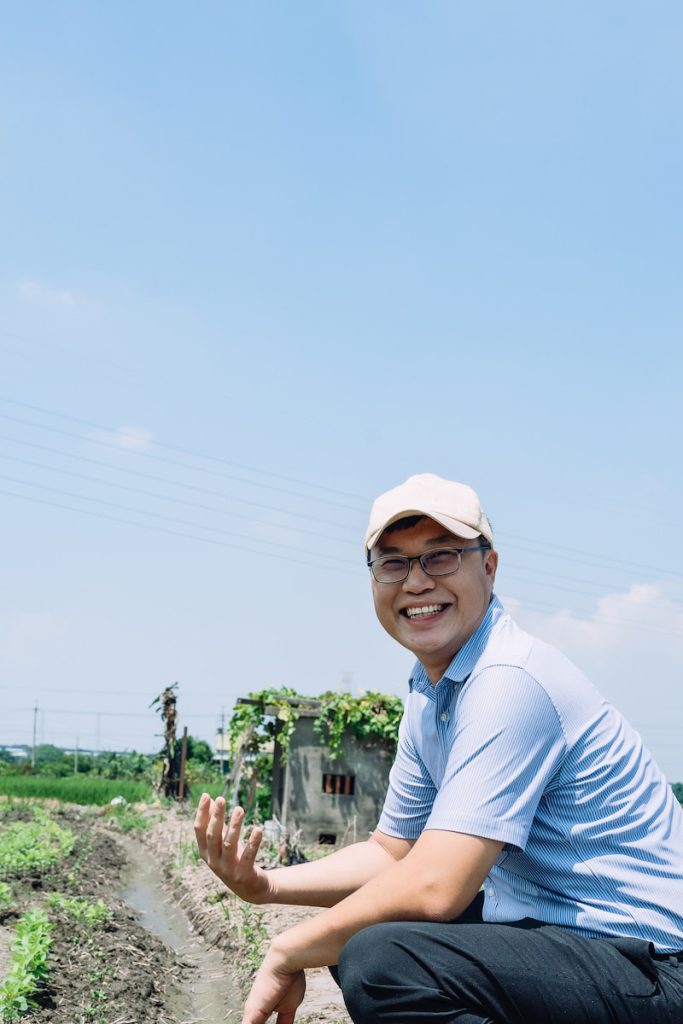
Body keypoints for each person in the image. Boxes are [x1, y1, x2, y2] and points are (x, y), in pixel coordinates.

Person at [194, 473, 683, 1024]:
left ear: (489, 567)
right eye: (393, 563)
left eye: (441, 556)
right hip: (581, 943)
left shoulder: (508, 681)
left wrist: (289, 948)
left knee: (382, 960)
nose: (417, 582)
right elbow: (392, 853)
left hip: (654, 962)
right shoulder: (432, 693)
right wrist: (265, 886)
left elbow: (437, 887)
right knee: (371, 926)